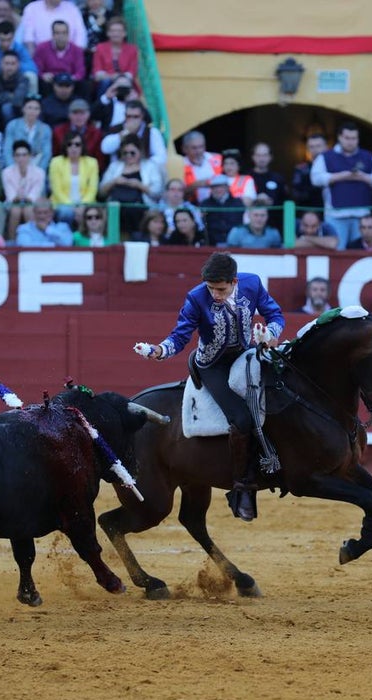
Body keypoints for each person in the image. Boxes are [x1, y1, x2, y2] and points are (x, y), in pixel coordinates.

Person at [133, 251, 284, 522]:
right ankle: (242, 487)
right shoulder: (196, 297)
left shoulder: (252, 284)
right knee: (241, 417)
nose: (214, 294)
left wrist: (269, 334)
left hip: (245, 355)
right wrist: (159, 350)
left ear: (235, 281)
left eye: (221, 289)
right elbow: (180, 336)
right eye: (211, 288)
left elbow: (275, 314)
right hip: (212, 366)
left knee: (280, 393)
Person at [310, 121, 372, 247]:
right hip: (336, 215)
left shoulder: (368, 156)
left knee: (359, 253)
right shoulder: (326, 157)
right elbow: (315, 179)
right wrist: (341, 176)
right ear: (339, 137)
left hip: (362, 217)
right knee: (338, 254)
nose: (350, 141)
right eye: (347, 138)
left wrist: (363, 177)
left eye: (354, 138)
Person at [99, 135, 162, 236]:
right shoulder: (114, 166)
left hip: (141, 211)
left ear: (140, 152)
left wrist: (139, 185)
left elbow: (157, 192)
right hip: (117, 210)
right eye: (125, 153)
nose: (128, 156)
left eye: (132, 153)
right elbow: (101, 192)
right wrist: (114, 181)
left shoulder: (150, 166)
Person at [48, 131, 98, 222]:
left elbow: (92, 190)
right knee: (66, 212)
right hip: (62, 203)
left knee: (89, 213)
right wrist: (73, 207)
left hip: (85, 204)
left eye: (77, 144)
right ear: (65, 146)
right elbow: (57, 191)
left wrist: (82, 206)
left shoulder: (92, 163)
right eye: (69, 144)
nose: (73, 147)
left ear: (82, 146)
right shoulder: (56, 162)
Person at [3, 140, 45, 240]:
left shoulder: (39, 172)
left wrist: (28, 198)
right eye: (18, 155)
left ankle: (31, 242)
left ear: (30, 156)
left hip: (32, 204)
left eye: (24, 155)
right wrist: (16, 198)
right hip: (12, 204)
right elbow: (10, 196)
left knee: (28, 210)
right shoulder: (6, 172)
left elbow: (35, 193)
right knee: (15, 210)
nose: (21, 158)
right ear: (13, 157)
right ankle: (12, 242)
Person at [33, 19, 86, 91]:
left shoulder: (77, 50)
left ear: (68, 34)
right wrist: (43, 75)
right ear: (52, 34)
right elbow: (36, 69)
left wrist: (71, 78)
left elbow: (80, 72)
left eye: (64, 33)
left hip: (69, 83)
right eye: (57, 33)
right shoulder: (42, 48)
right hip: (49, 83)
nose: (61, 36)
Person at [90, 16, 138, 95]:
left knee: (127, 86)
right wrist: (113, 77)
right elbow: (97, 73)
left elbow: (131, 73)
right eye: (113, 31)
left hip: (125, 82)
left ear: (125, 33)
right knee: (105, 82)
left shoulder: (132, 50)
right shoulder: (100, 48)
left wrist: (120, 79)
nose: (116, 34)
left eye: (119, 31)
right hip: (105, 84)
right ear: (108, 33)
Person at [3, 96, 52, 170]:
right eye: (29, 108)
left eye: (36, 109)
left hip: (36, 165)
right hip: (16, 163)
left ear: (40, 111)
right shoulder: (12, 125)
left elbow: (46, 154)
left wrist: (39, 172)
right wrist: (13, 170)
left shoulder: (45, 129)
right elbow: (8, 151)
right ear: (23, 109)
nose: (32, 111)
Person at [201, 175, 245, 247]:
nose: (217, 189)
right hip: (212, 244)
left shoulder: (238, 203)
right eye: (214, 187)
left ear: (227, 187)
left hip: (235, 244)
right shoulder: (205, 204)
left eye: (221, 186)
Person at [180, 129, 223, 203]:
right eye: (194, 148)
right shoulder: (179, 165)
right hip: (192, 207)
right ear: (184, 149)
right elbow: (176, 193)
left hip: (218, 206)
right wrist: (195, 185)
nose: (198, 151)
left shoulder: (218, 159)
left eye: (201, 147)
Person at [289, 132, 327, 211]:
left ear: (326, 147)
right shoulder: (301, 169)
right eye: (311, 147)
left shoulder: (333, 168)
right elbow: (295, 194)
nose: (315, 150)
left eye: (318, 146)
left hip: (330, 212)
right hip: (307, 213)